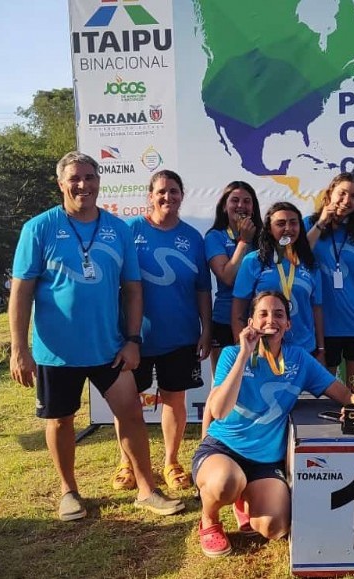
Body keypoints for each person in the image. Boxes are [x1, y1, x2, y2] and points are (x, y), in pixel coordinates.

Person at [9, 151, 183, 521]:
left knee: (132, 414)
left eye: (89, 177)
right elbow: (21, 292)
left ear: (99, 181)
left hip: (109, 347)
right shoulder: (38, 228)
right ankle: (69, 492)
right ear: (61, 183)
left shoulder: (118, 229)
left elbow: (133, 288)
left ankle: (146, 490)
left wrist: (133, 339)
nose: (83, 185)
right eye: (74, 178)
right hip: (56, 351)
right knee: (60, 421)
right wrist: (19, 349)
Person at [192, 291, 354, 557]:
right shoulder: (231, 354)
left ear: (288, 324)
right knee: (226, 481)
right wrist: (245, 354)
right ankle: (209, 519)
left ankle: (243, 501)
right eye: (264, 314)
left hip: (265, 461)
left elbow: (342, 393)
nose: (272, 320)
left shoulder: (299, 359)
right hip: (223, 449)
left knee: (274, 526)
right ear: (251, 322)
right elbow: (220, 411)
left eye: (279, 314)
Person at [110, 170, 212, 493]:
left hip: (180, 336)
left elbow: (202, 289)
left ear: (182, 195)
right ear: (149, 196)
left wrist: (206, 328)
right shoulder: (130, 231)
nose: (167, 197)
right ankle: (127, 462)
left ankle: (171, 461)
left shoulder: (193, 238)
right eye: (161, 192)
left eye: (173, 191)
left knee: (174, 400)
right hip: (134, 338)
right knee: (127, 403)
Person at [305, 172, 354, 390]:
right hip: (321, 324)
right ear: (330, 194)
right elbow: (298, 256)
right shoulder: (309, 223)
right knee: (327, 389)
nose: (347, 201)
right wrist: (321, 223)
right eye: (342, 193)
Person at [231, 202, 324, 359]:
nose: (288, 228)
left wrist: (321, 349)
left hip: (304, 351)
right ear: (269, 228)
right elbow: (238, 311)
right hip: (263, 349)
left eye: (293, 223)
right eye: (280, 223)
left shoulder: (310, 263)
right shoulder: (254, 260)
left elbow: (316, 309)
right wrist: (243, 349)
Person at [204, 181, 263, 371]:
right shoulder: (215, 236)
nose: (241, 206)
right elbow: (227, 277)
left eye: (247, 201)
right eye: (234, 200)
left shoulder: (263, 237)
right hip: (224, 320)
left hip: (259, 320)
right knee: (224, 384)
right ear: (224, 206)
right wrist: (243, 241)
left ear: (253, 208)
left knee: (255, 383)